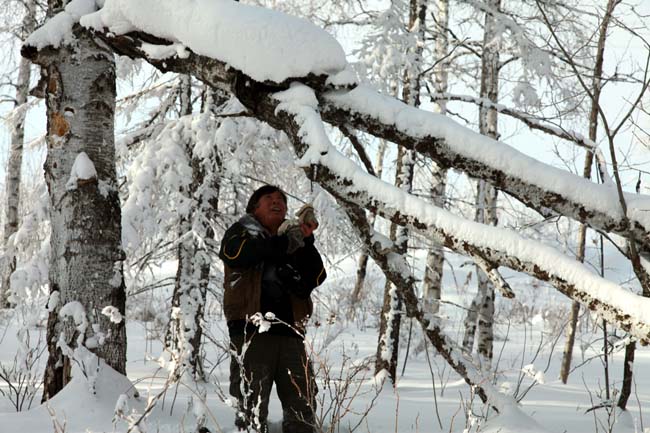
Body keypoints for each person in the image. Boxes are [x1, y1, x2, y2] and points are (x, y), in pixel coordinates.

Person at [219, 185, 327, 433]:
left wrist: (306, 241)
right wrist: (286, 241)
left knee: (302, 405)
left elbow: (318, 275)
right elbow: (237, 255)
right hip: (251, 332)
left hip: (291, 334)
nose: (277, 202)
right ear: (254, 208)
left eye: (281, 200)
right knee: (251, 408)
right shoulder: (241, 233)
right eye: (269, 198)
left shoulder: (293, 240)